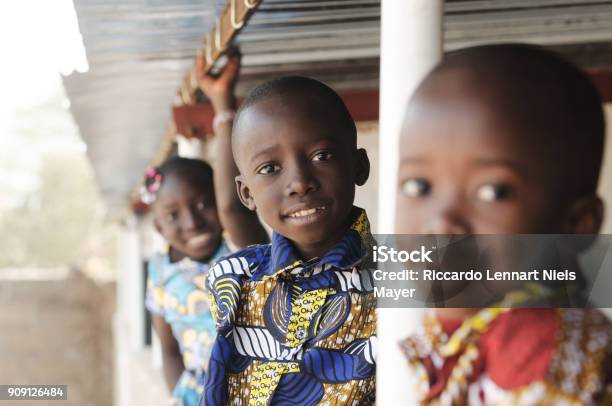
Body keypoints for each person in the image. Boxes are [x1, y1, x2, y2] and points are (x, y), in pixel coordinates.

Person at [395, 43, 611, 404]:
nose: (442, 221)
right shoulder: (469, 332)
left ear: (576, 224)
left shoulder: (536, 342)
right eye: (419, 186)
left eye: (493, 192)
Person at [199, 76, 377, 405]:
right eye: (269, 168)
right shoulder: (234, 277)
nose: (299, 182)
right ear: (246, 193)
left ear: (359, 166)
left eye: (322, 155)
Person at [144, 53, 268, 406]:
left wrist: (221, 104)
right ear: (157, 226)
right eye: (174, 215)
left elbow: (230, 204)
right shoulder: (158, 273)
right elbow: (168, 351)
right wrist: (180, 395)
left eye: (203, 204)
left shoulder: (239, 250)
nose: (193, 221)